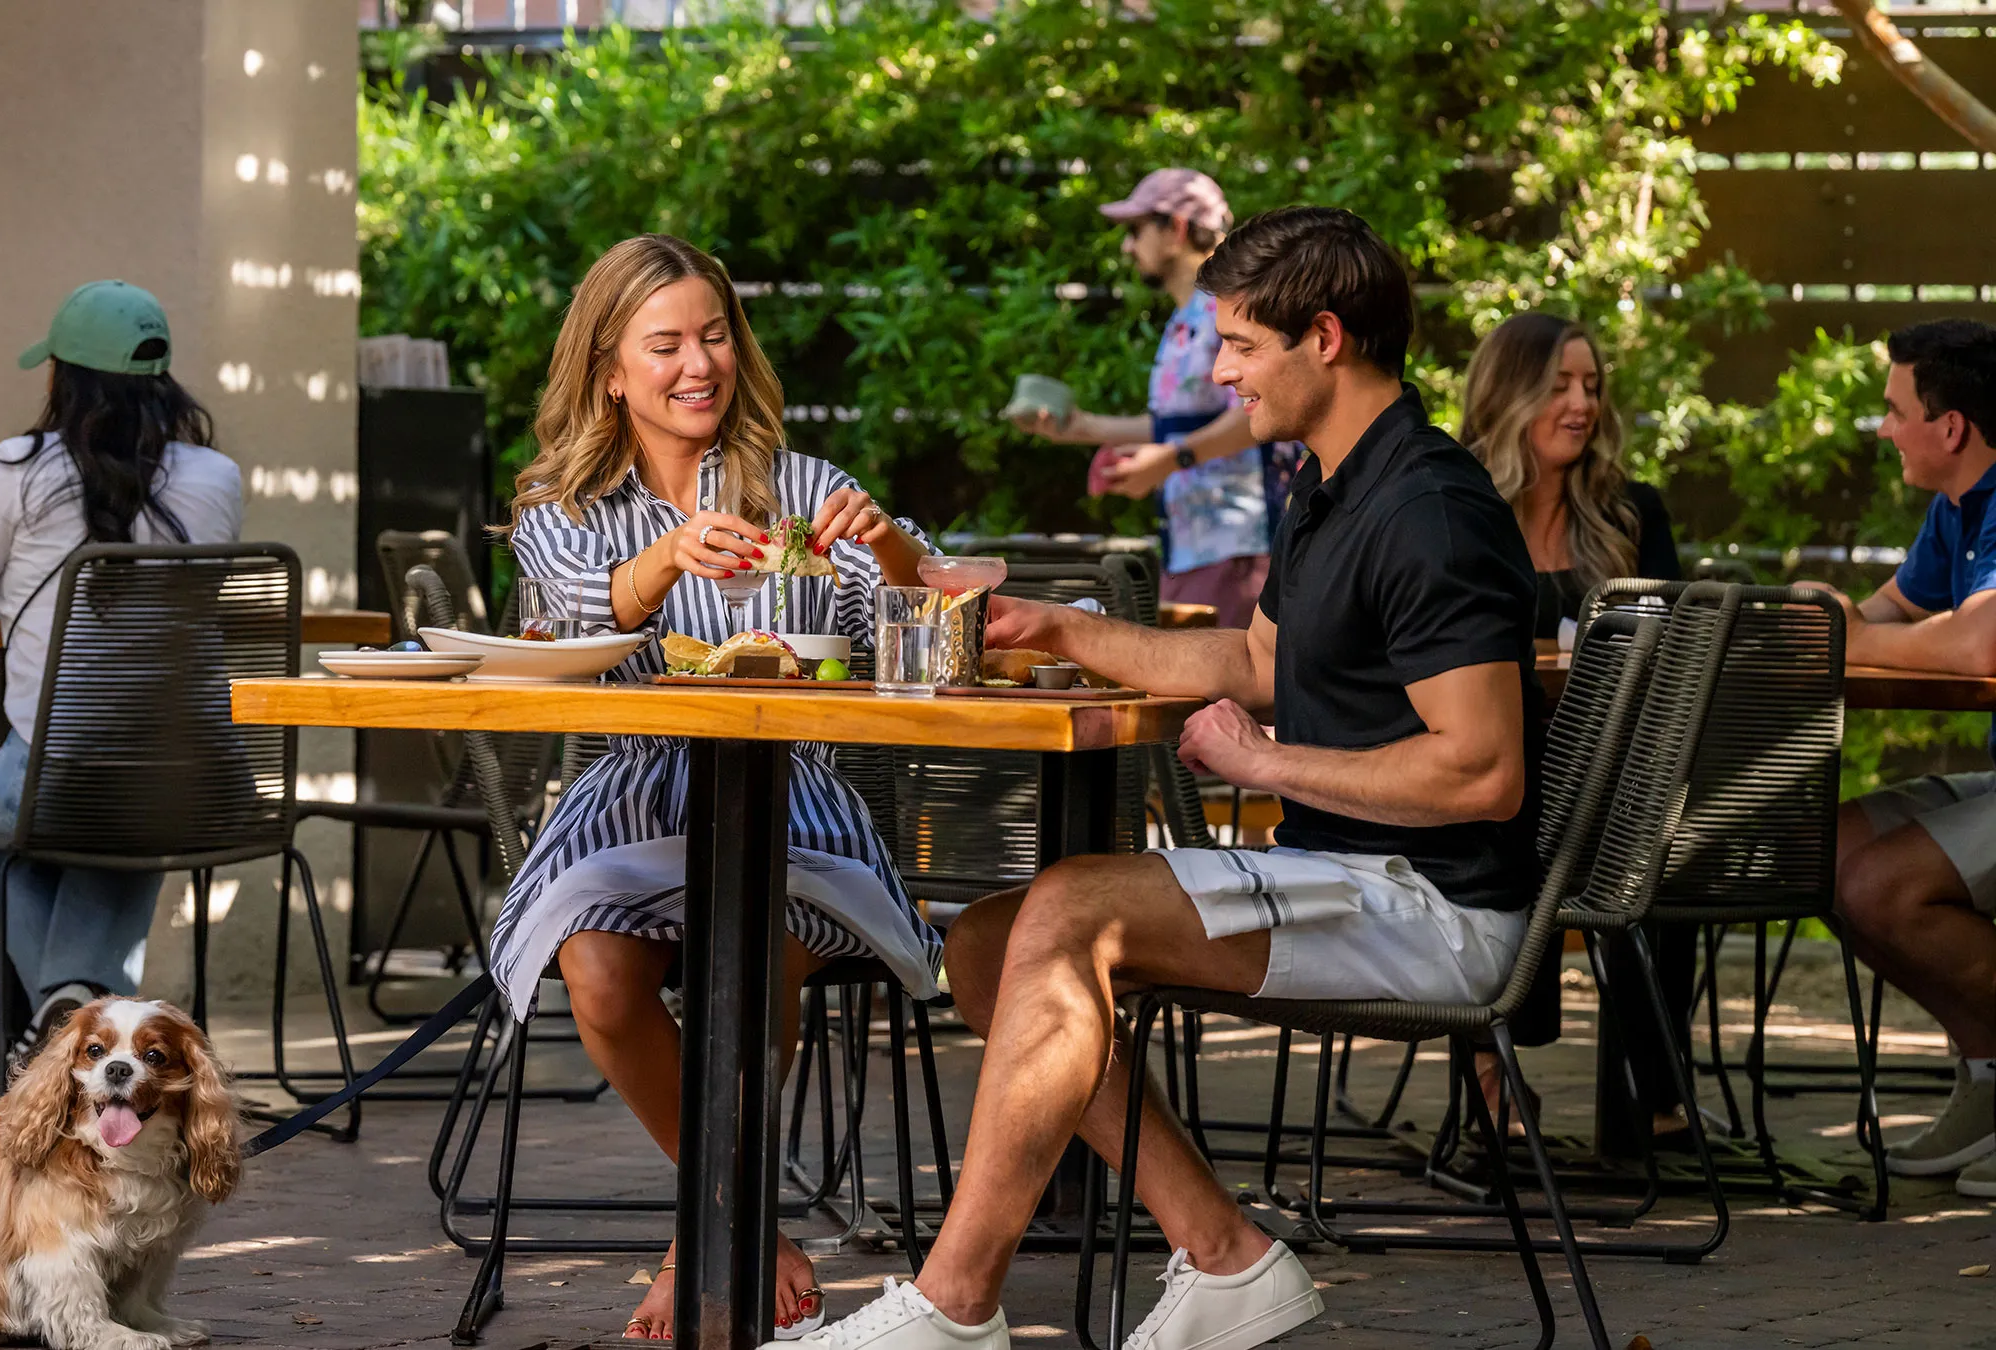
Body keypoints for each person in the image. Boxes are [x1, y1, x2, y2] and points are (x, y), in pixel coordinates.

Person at [799, 207, 1541, 1350]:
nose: (1223, 371)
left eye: (1241, 344)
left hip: (1435, 904)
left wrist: (1264, 761)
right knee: (992, 943)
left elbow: (1483, 773)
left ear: (1326, 339)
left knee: (1068, 910)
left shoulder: (1429, 510)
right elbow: (1254, 662)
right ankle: (1228, 1256)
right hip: (1346, 869)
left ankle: (953, 1307)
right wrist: (1058, 628)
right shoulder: (1333, 482)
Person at [497, 234, 943, 1341]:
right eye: (667, 344)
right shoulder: (566, 503)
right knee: (597, 974)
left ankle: (707, 1232)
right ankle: (746, 1221)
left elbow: (931, 618)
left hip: (793, 794)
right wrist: (663, 560)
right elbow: (566, 613)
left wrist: (887, 551)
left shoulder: (804, 486)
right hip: (635, 791)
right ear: (609, 368)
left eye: (714, 336)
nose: (699, 363)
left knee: (748, 944)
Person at [0, 280, 243, 1064]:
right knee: (130, 808)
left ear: (60, 380)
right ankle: (77, 1005)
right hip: (189, 776)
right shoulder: (216, 480)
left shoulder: (20, 471)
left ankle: (65, 1023)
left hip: (52, 773)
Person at [1458, 313, 1690, 1144]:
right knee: (1502, 822)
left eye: (1591, 386)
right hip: (1488, 765)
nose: (1581, 403)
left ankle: (1651, 1097)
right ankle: (1493, 1078)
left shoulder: (1630, 511)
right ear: (1508, 392)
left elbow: (1682, 651)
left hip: (1613, 773)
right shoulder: (1456, 506)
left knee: (1640, 835)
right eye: (1559, 385)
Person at [1813, 318, 1996, 1201]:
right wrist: (1821, 617)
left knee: (1880, 886)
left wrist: (1850, 635)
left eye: (1893, 410)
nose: (1885, 429)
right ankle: (1991, 1074)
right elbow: (1880, 622)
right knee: (1826, 853)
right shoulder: (1955, 510)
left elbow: (1978, 646)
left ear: (1949, 425)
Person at [1013, 168, 1303, 625]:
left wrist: (1171, 460)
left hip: (1239, 547)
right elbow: (1178, 424)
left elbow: (1260, 415)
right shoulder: (1186, 317)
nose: (1127, 246)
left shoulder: (1232, 313)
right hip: (1191, 548)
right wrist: (1080, 429)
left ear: (1178, 229)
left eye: (1135, 229)